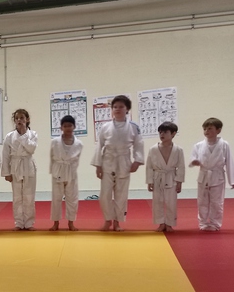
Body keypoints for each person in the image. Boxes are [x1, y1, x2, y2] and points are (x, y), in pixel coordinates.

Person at [91, 95, 144, 231]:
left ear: (127, 109)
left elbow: (139, 144)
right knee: (105, 195)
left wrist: (137, 161)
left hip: (124, 161)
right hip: (107, 161)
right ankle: (107, 220)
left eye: (121, 107)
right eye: (115, 107)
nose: (117, 109)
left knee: (121, 194)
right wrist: (98, 166)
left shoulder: (134, 127)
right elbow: (99, 145)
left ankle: (117, 222)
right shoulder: (105, 127)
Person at [189, 117, 234, 231]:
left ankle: (215, 223)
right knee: (202, 201)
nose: (206, 131)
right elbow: (193, 158)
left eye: (210, 129)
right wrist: (194, 162)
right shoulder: (198, 145)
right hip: (203, 175)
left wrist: (232, 181)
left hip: (217, 176)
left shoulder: (224, 145)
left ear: (218, 130)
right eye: (205, 129)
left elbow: (229, 162)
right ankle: (203, 223)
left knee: (217, 202)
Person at [2, 108, 38, 230]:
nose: (19, 120)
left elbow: (31, 149)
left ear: (27, 119)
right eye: (17, 118)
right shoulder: (9, 136)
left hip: (28, 165)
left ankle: (29, 223)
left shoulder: (33, 134)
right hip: (15, 166)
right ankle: (18, 222)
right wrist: (6, 172)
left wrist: (23, 134)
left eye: (22, 118)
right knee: (17, 196)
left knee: (29, 196)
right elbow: (5, 155)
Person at [146, 122, 185, 232]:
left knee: (171, 202)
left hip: (171, 177)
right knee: (157, 202)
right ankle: (161, 223)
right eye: (160, 132)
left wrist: (179, 182)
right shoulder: (153, 149)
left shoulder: (178, 150)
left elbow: (181, 166)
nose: (162, 134)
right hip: (157, 177)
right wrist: (149, 181)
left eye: (165, 132)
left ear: (173, 134)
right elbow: (149, 166)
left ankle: (169, 224)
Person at [49, 115, 83, 231]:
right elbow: (52, 157)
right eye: (65, 126)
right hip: (58, 171)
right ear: (61, 128)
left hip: (71, 172)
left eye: (70, 125)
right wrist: (52, 171)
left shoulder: (79, 144)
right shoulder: (55, 142)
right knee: (56, 198)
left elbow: (77, 160)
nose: (68, 128)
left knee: (72, 199)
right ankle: (56, 223)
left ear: (74, 127)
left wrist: (72, 170)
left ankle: (71, 223)